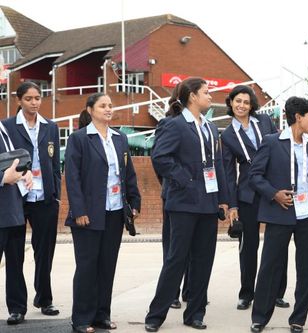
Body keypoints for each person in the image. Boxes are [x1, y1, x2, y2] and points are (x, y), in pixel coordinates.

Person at [145, 77, 229, 332]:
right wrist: (186, 180)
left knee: (204, 260)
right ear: (192, 96)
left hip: (208, 203)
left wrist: (224, 199)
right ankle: (155, 315)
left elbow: (218, 166)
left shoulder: (211, 128)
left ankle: (195, 313)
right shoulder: (174, 125)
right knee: (176, 259)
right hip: (183, 203)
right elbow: (160, 157)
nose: (210, 96)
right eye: (206, 92)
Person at [249, 97, 308, 333]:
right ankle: (260, 317)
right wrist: (274, 193)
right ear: (298, 117)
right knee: (269, 266)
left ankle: (298, 319)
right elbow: (255, 176)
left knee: (307, 268)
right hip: (280, 213)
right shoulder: (271, 142)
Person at [64, 92, 141, 333]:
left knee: (107, 266)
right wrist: (79, 210)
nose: (108, 109)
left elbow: (128, 172)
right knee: (87, 267)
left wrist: (134, 201)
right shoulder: (79, 139)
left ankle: (101, 315)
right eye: (103, 106)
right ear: (90, 110)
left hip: (115, 211)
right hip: (88, 214)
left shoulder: (120, 139)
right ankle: (81, 319)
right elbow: (72, 178)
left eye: (110, 105)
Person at [220, 85, 289, 311]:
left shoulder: (266, 122)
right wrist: (232, 205)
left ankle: (277, 292)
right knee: (248, 246)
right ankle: (246, 293)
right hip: (248, 193)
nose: (242, 105)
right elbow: (229, 173)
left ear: (252, 105)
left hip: (274, 189)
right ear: (230, 102)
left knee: (278, 244)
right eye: (237, 101)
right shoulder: (228, 135)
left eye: (246, 102)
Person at [3, 82, 61, 316]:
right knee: (14, 253)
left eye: (38, 98)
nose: (34, 102)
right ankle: (17, 307)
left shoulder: (51, 127)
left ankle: (44, 299)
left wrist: (55, 193)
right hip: (16, 198)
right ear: (19, 101)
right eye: (29, 98)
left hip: (44, 198)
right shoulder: (6, 127)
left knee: (45, 252)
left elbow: (55, 163)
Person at [151, 114, 189, 309]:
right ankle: (171, 293)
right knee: (173, 247)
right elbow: (159, 157)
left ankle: (190, 291)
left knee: (194, 247)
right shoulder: (169, 123)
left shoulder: (204, 125)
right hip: (174, 193)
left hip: (197, 198)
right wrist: (173, 181)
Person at [0, 121, 33, 325]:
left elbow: (11, 160)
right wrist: (3, 178)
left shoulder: (3, 127)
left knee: (15, 263)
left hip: (12, 209)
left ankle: (17, 308)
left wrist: (24, 171)